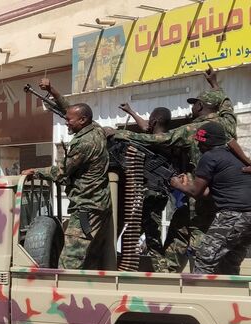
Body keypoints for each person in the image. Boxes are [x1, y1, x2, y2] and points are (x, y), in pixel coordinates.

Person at [107, 66, 237, 273]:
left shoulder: (193, 129)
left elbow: (161, 138)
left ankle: (195, 277)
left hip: (199, 191)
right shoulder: (228, 123)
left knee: (195, 234)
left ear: (201, 106)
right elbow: (226, 104)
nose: (191, 110)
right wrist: (214, 83)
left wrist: (123, 135)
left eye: (194, 105)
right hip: (222, 192)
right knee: (180, 228)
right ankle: (170, 271)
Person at [22, 78, 113, 270]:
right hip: (99, 205)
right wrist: (52, 90)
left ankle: (63, 297)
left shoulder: (84, 143)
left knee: (69, 262)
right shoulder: (95, 129)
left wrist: (35, 172)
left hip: (86, 207)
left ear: (82, 120)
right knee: (91, 259)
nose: (66, 121)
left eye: (69, 120)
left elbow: (61, 172)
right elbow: (69, 109)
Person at [170, 122, 251, 275]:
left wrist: (177, 184)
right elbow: (208, 191)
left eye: (200, 142)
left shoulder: (210, 157)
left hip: (233, 215)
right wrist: (188, 185)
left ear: (207, 142)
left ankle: (198, 296)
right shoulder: (235, 157)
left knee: (204, 258)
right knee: (229, 260)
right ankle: (229, 296)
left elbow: (197, 192)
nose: (198, 146)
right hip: (248, 217)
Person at [117, 104, 174, 270]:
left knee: (147, 235)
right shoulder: (166, 138)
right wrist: (131, 111)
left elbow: (137, 133)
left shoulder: (157, 140)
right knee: (140, 234)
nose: (147, 123)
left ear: (155, 121)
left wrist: (115, 132)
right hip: (157, 193)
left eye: (151, 119)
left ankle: (162, 271)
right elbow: (145, 126)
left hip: (151, 194)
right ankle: (156, 269)